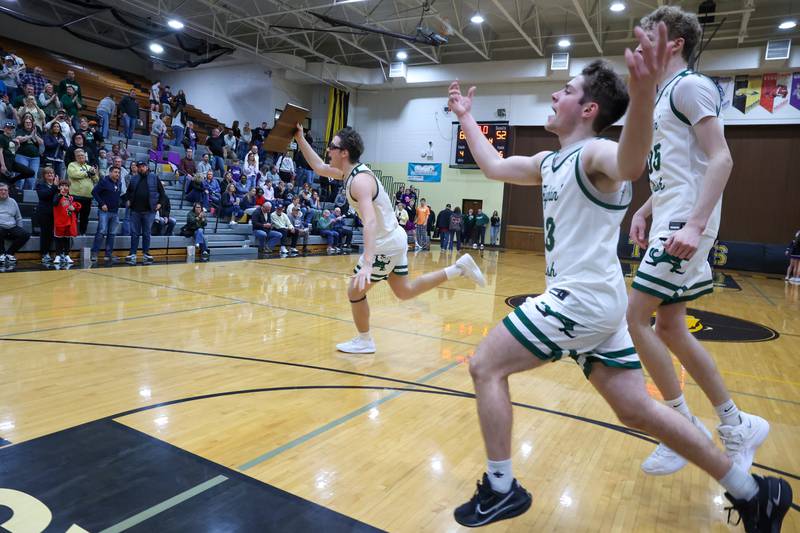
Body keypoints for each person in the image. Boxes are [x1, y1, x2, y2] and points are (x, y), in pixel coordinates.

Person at [446, 22, 792, 530]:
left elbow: (631, 163)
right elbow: (495, 167)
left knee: (485, 366)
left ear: (588, 110)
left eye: (564, 91)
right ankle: (753, 492)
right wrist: (466, 118)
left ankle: (502, 488)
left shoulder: (594, 155)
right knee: (639, 412)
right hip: (601, 304)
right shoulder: (550, 159)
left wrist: (643, 89)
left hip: (579, 300)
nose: (553, 93)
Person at [626, 7, 772, 488]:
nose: (639, 42)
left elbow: (721, 159)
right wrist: (646, 209)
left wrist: (695, 223)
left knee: (634, 316)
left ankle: (679, 426)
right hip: (671, 214)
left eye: (649, 35)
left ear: (675, 43)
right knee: (669, 326)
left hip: (686, 222)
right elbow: (679, 169)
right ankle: (735, 425)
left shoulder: (690, 86)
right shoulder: (662, 93)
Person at [294, 124, 487, 354]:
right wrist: (299, 138)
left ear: (344, 152)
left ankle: (364, 340)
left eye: (332, 147)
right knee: (404, 291)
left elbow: (370, 221)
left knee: (355, 291)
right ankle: (458, 269)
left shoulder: (359, 181)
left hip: (385, 242)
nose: (328, 151)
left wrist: (367, 263)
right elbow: (318, 166)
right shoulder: (348, 173)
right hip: (395, 238)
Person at [125, 160, 162, 264]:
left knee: (146, 233)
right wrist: (128, 200)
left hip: (149, 211)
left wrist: (160, 203)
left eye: (143, 166)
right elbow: (128, 192)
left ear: (147, 167)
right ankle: (133, 253)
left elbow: (162, 193)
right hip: (135, 211)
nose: (141, 168)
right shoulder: (134, 178)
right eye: (139, 166)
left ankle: (146, 253)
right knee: (134, 233)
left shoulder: (154, 177)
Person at [90, 166, 122, 262]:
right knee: (101, 232)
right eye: (115, 172)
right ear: (110, 172)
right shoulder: (104, 181)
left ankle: (108, 254)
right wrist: (102, 203)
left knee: (112, 234)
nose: (117, 174)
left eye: (118, 172)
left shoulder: (119, 183)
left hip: (115, 212)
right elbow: (94, 192)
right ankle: (94, 253)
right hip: (104, 211)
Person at [66, 148, 98, 235]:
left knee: (85, 216)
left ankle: (83, 232)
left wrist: (94, 174)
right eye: (78, 156)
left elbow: (96, 180)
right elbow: (74, 175)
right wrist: (88, 173)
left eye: (82, 155)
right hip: (75, 195)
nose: (81, 157)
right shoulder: (72, 165)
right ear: (75, 157)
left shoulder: (89, 167)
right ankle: (73, 232)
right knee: (74, 215)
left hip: (88, 196)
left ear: (85, 157)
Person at [52, 179, 80, 265]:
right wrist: (60, 195)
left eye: (67, 186)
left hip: (69, 222)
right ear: (59, 187)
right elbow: (54, 203)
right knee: (58, 240)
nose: (65, 187)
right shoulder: (57, 196)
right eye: (63, 186)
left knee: (67, 239)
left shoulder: (71, 197)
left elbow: (75, 207)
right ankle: (58, 255)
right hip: (59, 222)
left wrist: (74, 208)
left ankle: (67, 255)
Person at [0, 182, 29, 263]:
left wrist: (19, 229)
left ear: (8, 191)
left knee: (25, 234)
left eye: (5, 190)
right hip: (0, 227)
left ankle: (9, 253)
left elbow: (18, 217)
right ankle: (1, 254)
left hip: (12, 227)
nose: (3, 192)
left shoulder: (13, 201)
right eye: (1, 190)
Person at [14, 114, 43, 190]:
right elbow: (19, 139)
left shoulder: (35, 132)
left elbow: (41, 142)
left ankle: (29, 195)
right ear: (24, 123)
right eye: (26, 122)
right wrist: (30, 136)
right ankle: (18, 194)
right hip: (22, 156)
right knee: (21, 176)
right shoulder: (20, 131)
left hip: (35, 158)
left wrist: (35, 135)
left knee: (32, 178)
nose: (28, 124)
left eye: (30, 122)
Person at [36, 166, 58, 262]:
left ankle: (59, 254)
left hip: (57, 213)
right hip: (44, 213)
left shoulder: (58, 186)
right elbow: (44, 195)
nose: (50, 174)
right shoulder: (40, 185)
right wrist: (55, 187)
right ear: (44, 176)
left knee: (56, 234)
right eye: (47, 173)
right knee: (46, 234)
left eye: (52, 173)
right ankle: (44, 253)